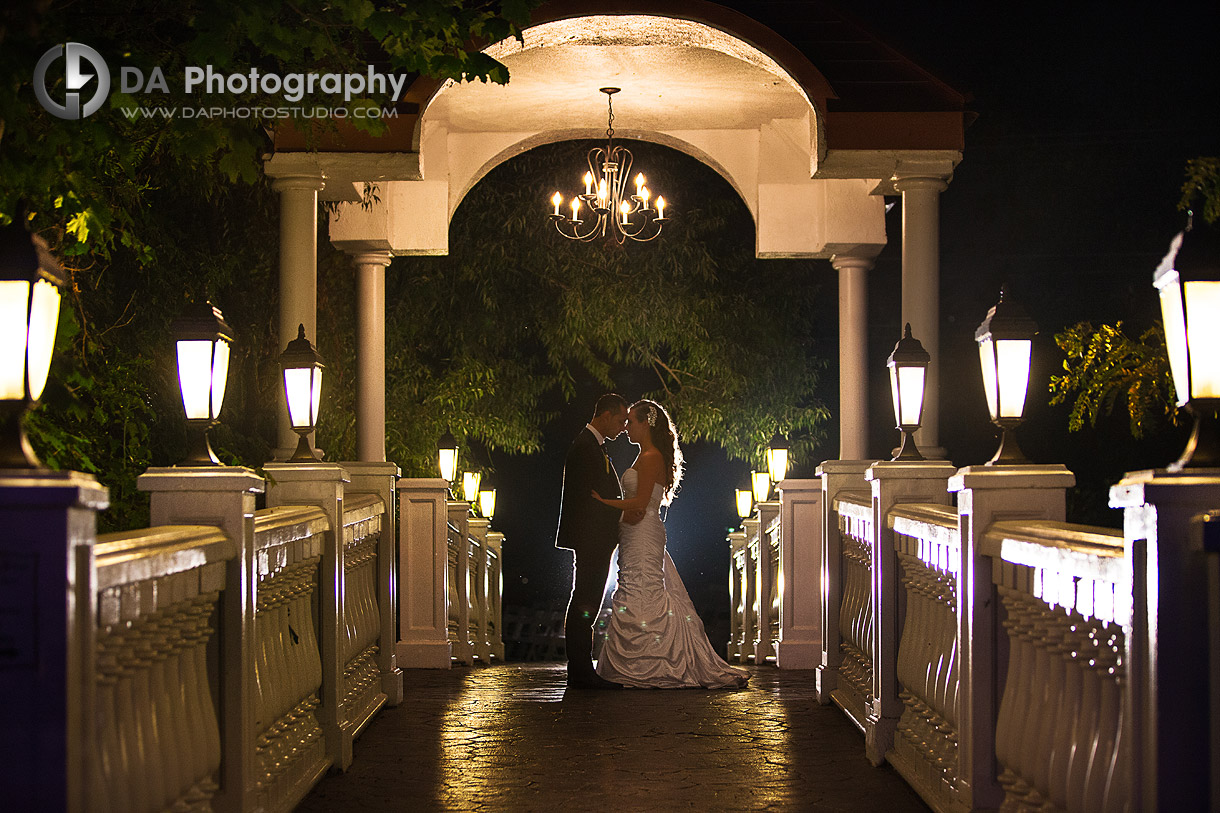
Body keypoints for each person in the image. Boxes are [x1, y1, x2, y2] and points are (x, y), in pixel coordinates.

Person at [591, 399, 748, 689]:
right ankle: (638, 662)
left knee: (645, 590)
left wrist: (603, 503)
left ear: (646, 424)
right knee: (633, 588)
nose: (626, 429)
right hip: (632, 532)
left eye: (631, 422)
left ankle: (657, 661)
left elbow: (639, 503)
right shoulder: (644, 455)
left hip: (643, 531)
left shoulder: (651, 457)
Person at [555, 393, 636, 689]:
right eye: (620, 420)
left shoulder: (592, 446)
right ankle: (580, 671)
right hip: (591, 539)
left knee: (585, 600)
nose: (624, 426)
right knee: (585, 602)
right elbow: (585, 501)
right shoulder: (585, 447)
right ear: (604, 415)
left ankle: (580, 670)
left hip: (595, 539)